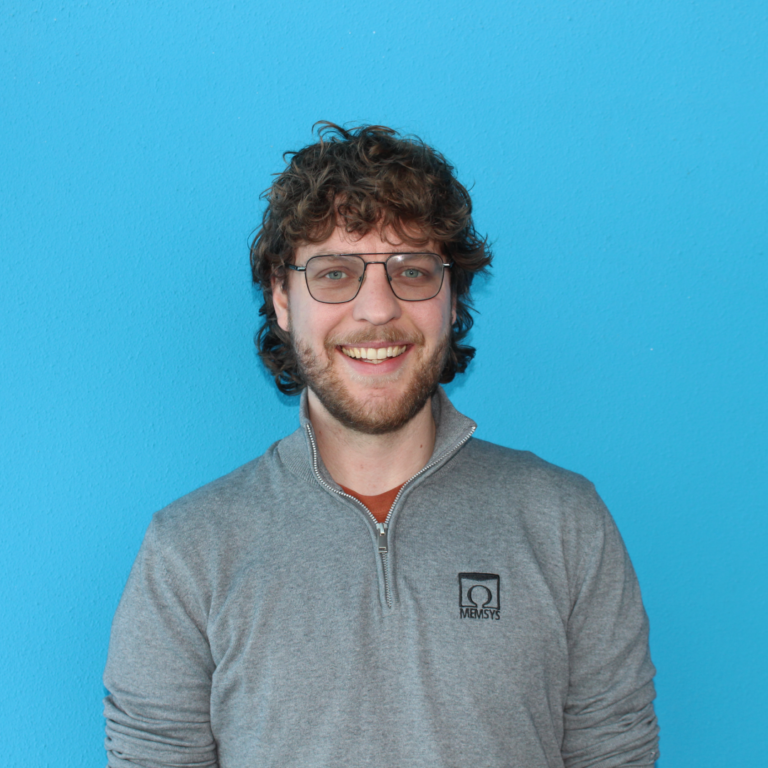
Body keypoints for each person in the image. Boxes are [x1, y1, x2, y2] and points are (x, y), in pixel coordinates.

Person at [104, 123, 659, 767]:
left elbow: (616, 751)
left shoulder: (565, 524)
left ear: (452, 299)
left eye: (412, 271)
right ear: (281, 299)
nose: (377, 309)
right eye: (335, 273)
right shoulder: (188, 553)